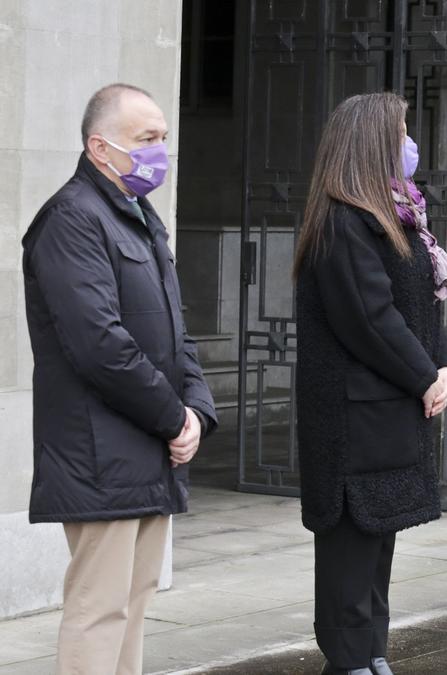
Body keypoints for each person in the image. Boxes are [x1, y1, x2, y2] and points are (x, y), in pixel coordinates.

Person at [21, 83, 217, 674]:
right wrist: (172, 416)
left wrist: (197, 412)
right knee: (99, 608)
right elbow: (99, 344)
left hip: (148, 449)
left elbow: (174, 332)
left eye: (163, 138)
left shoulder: (138, 218)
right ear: (100, 148)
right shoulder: (72, 219)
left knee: (134, 602)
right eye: (146, 139)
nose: (160, 151)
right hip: (101, 452)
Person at [293, 92, 447, 675]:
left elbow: (423, 306)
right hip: (351, 413)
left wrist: (444, 366)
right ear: (370, 142)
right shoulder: (342, 219)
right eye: (402, 132)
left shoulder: (400, 212)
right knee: (350, 541)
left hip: (391, 404)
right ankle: (346, 658)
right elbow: (369, 317)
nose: (410, 144)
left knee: (380, 537)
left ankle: (372, 652)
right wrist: (423, 374)